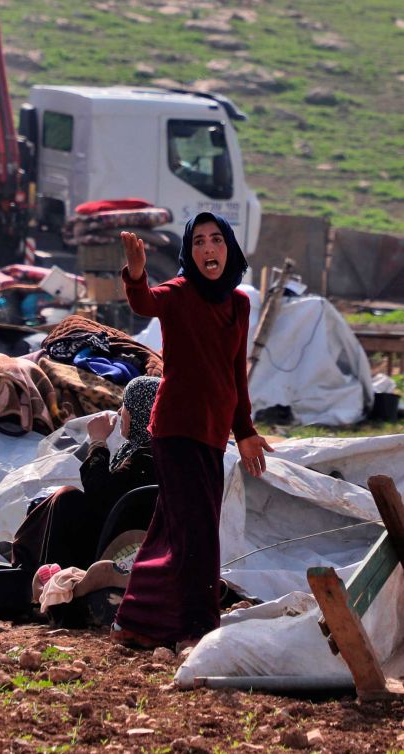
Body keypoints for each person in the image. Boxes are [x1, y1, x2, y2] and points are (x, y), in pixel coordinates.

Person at [111, 213, 274, 652]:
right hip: (176, 430)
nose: (207, 249)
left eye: (215, 239)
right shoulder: (179, 294)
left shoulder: (238, 306)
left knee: (172, 528)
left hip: (212, 433)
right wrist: (136, 272)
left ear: (228, 248)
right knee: (198, 531)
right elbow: (145, 302)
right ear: (190, 252)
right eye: (198, 241)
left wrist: (245, 431)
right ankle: (196, 628)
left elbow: (235, 376)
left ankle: (137, 621)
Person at [11, 376, 159, 572]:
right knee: (45, 504)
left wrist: (98, 442)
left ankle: (41, 576)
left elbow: (99, 493)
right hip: (115, 538)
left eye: (125, 405)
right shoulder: (155, 452)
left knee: (67, 499)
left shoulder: (148, 458)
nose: (119, 412)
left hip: (117, 548)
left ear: (140, 411)